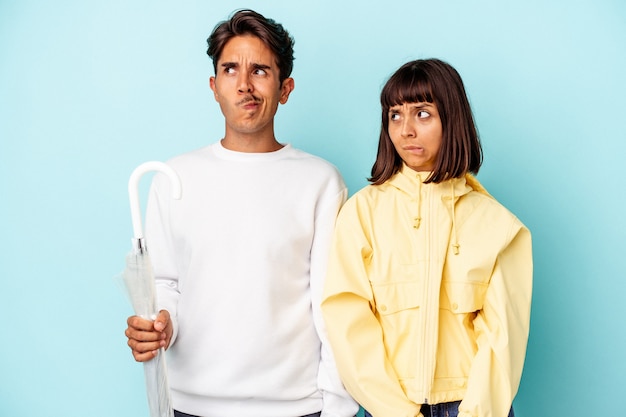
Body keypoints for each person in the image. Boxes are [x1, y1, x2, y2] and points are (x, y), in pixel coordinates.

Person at [124, 9, 358, 417]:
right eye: (231, 69)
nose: (245, 85)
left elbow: (331, 305)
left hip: (295, 408)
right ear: (214, 86)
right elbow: (166, 283)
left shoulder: (320, 181)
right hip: (188, 404)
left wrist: (337, 408)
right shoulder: (174, 177)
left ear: (285, 88)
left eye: (261, 71)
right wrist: (160, 324)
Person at [321, 59, 533, 417]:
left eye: (422, 114)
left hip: (472, 406)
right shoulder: (362, 214)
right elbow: (347, 320)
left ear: (452, 118)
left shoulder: (498, 225)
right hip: (389, 407)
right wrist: (396, 412)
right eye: (395, 115)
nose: (406, 130)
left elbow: (503, 340)